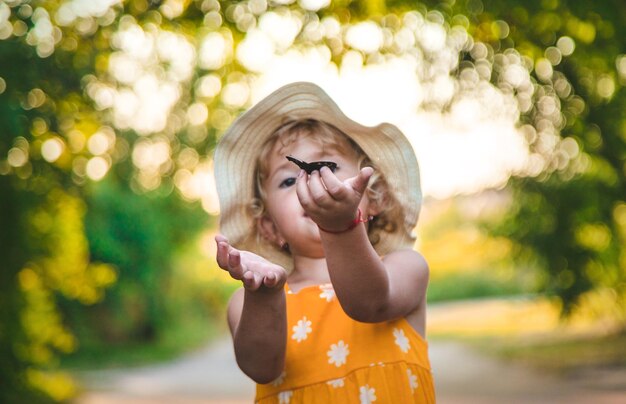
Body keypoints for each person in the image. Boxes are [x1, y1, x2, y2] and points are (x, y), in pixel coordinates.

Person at [213, 82, 434, 403]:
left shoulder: (404, 267)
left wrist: (340, 228)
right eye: (289, 180)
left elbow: (369, 304)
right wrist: (265, 297)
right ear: (269, 225)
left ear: (374, 197)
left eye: (327, 167)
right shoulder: (248, 301)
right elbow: (261, 368)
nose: (310, 182)